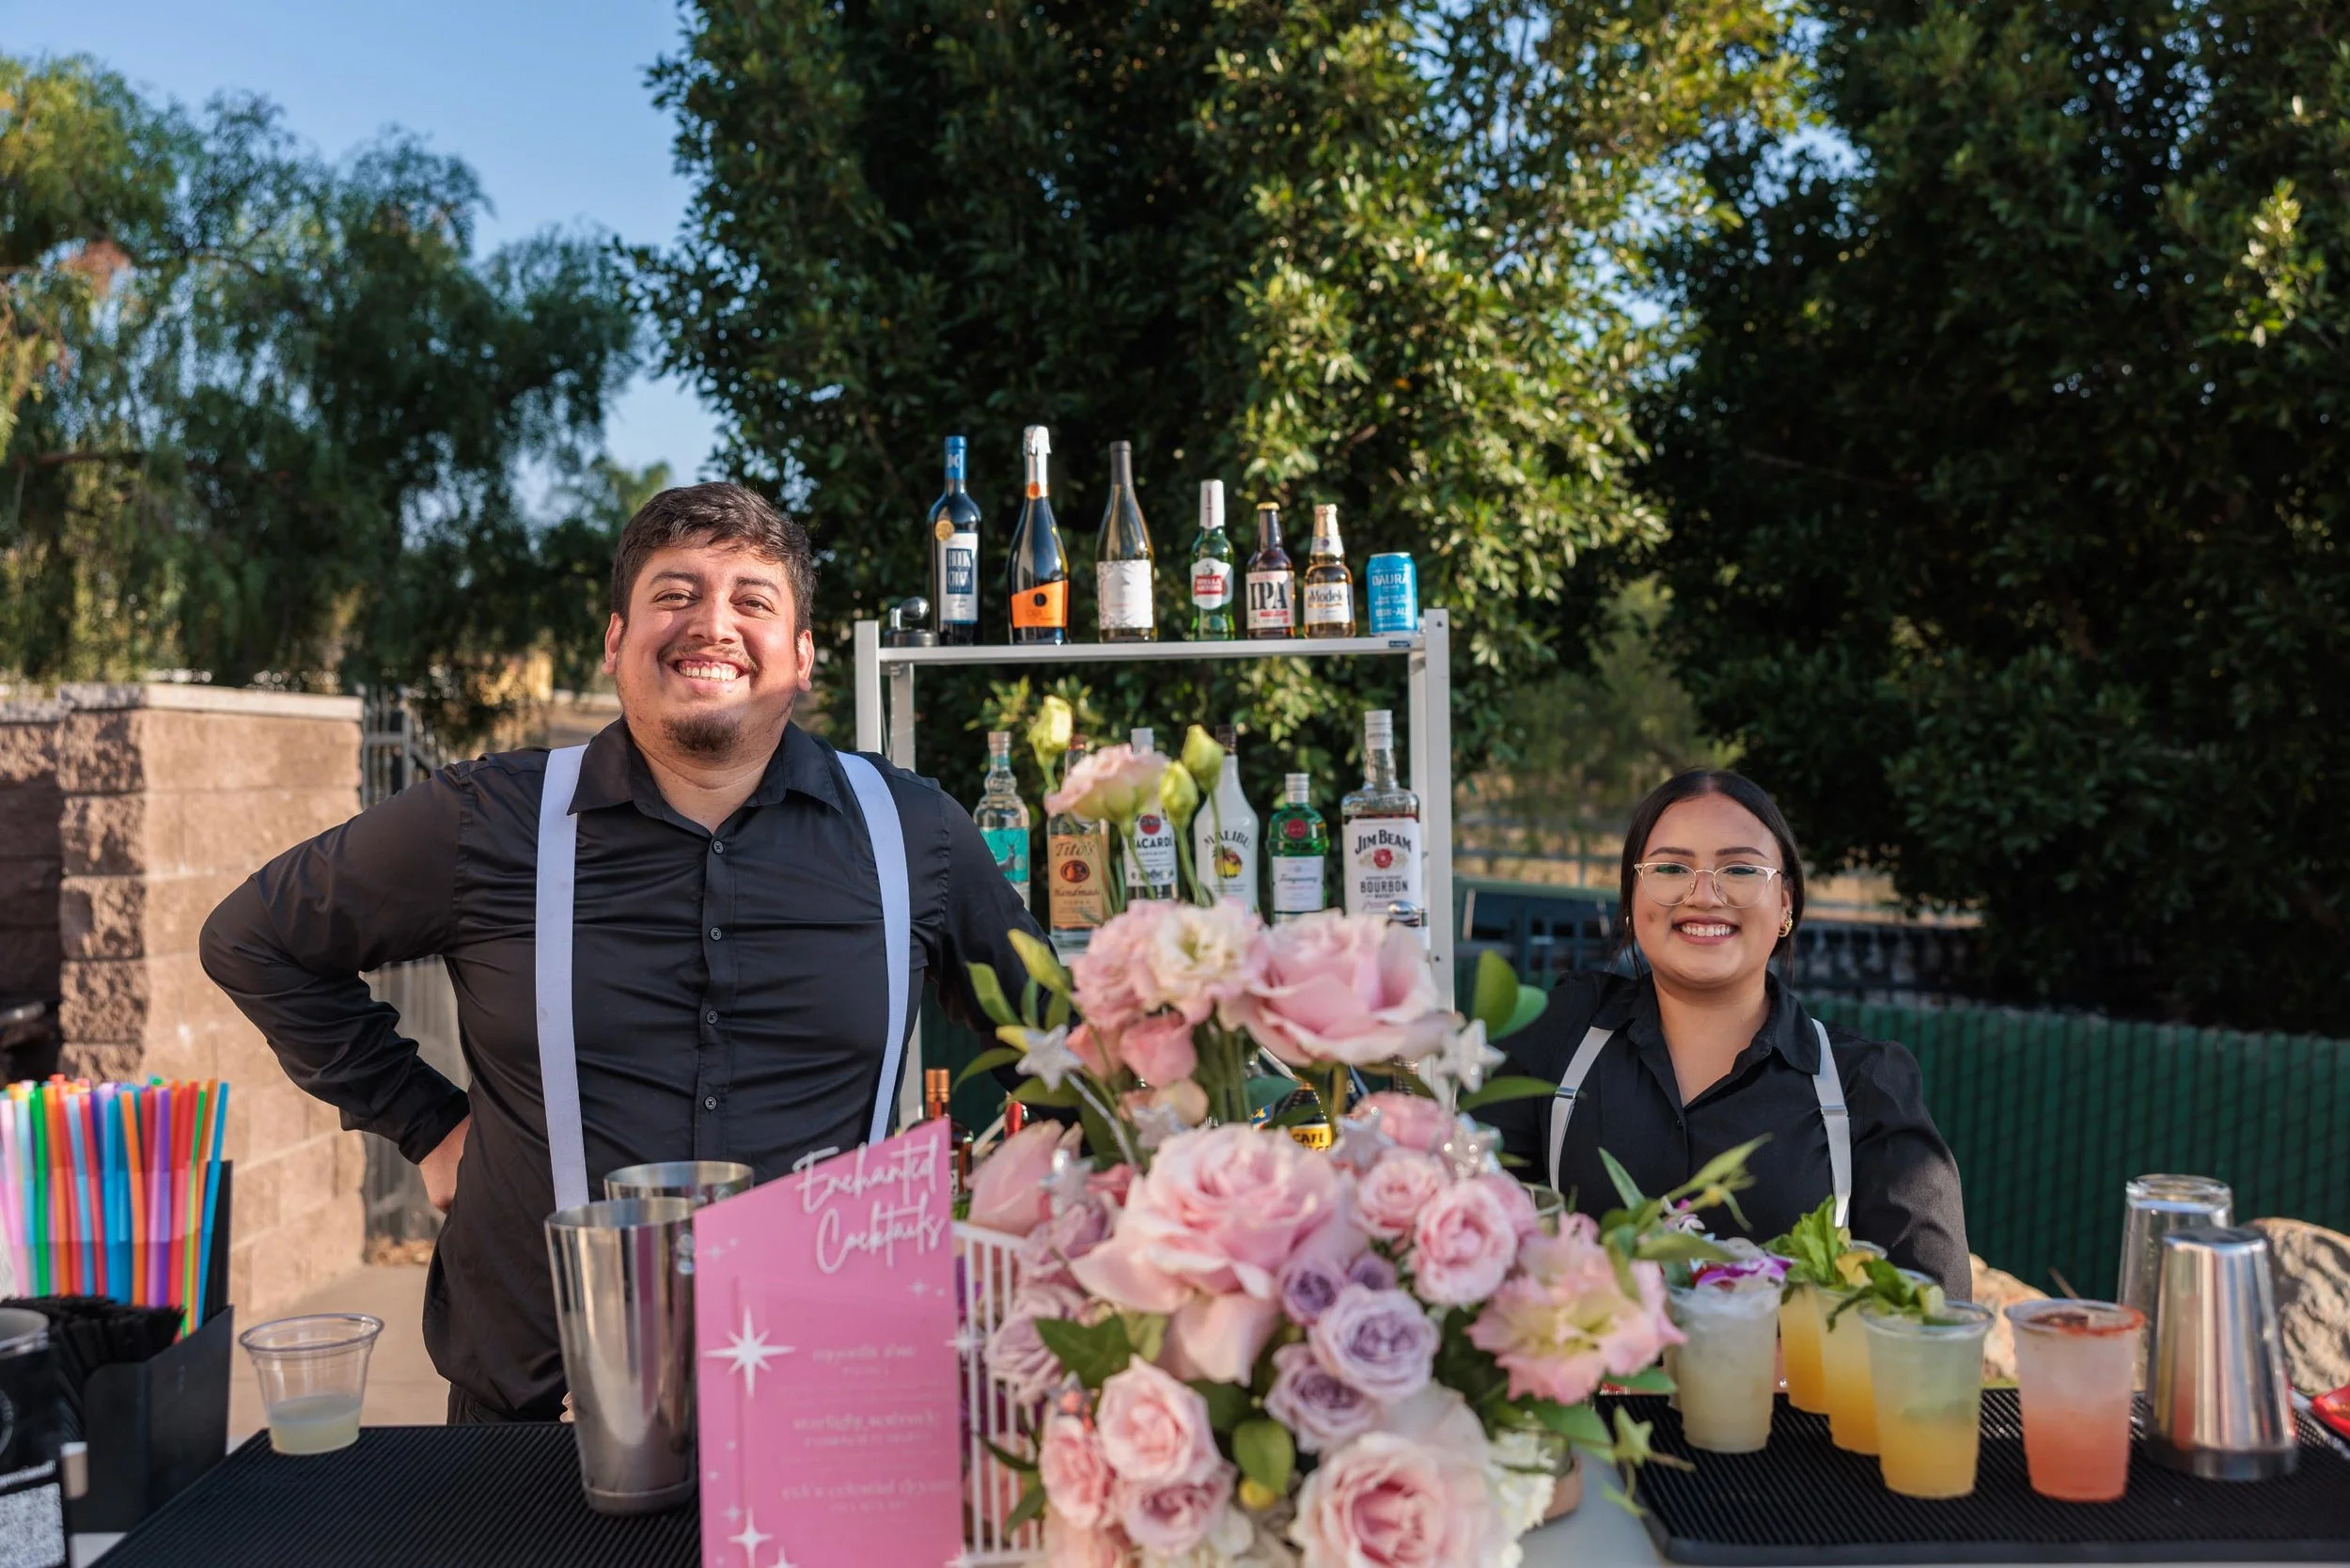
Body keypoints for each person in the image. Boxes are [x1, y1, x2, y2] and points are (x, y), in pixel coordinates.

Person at [200, 482, 1041, 1422]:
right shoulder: (490, 820)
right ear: (614, 645)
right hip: (534, 1427)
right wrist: (426, 1126)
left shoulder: (912, 832)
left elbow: (1065, 1054)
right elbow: (254, 939)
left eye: (752, 601)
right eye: (674, 594)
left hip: (823, 1416)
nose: (711, 624)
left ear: (803, 659)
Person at [1481, 770, 1970, 1294]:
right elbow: (1472, 1237)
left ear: (1785, 903)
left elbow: (1931, 1321)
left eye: (1739, 868)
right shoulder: (1560, 1034)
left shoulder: (1864, 1085)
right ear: (1631, 896)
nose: (1704, 895)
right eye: (1672, 867)